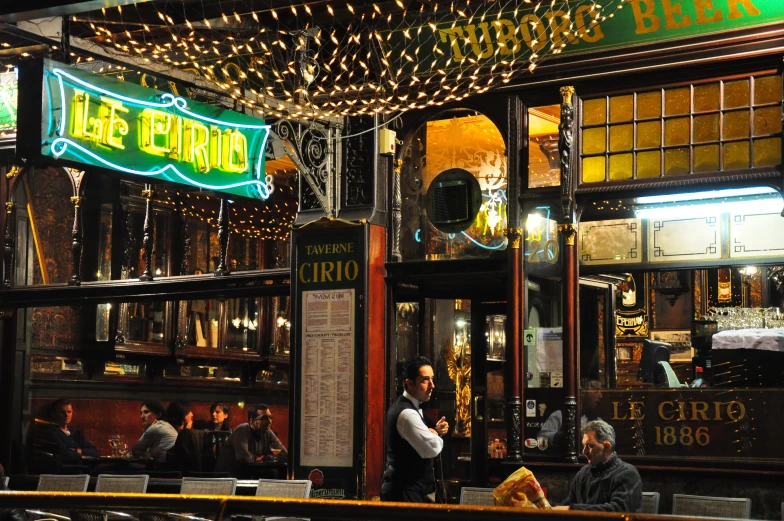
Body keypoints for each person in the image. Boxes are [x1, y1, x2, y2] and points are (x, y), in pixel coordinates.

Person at [381, 356, 449, 503]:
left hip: (411, 491)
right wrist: (435, 434)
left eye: (432, 379)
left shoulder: (411, 408)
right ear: (410, 383)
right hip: (404, 492)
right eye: (425, 380)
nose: (432, 385)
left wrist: (434, 430)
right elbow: (432, 447)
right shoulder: (407, 414)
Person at [553, 420, 642, 512]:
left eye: (590, 446)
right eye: (584, 446)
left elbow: (618, 510)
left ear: (607, 446)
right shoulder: (583, 473)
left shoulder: (627, 473)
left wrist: (571, 509)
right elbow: (566, 504)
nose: (584, 451)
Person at [214, 404, 287, 476]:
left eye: (270, 417)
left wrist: (266, 458)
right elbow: (244, 458)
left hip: (249, 475)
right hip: (229, 478)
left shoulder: (268, 432)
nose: (269, 421)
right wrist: (265, 458)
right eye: (264, 418)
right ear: (251, 421)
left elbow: (284, 454)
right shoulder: (242, 430)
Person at [132, 400, 178, 465]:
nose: (141, 416)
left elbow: (135, 451)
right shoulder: (166, 425)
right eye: (141, 413)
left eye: (146, 412)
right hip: (172, 467)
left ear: (158, 414)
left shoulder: (156, 428)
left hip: (163, 469)